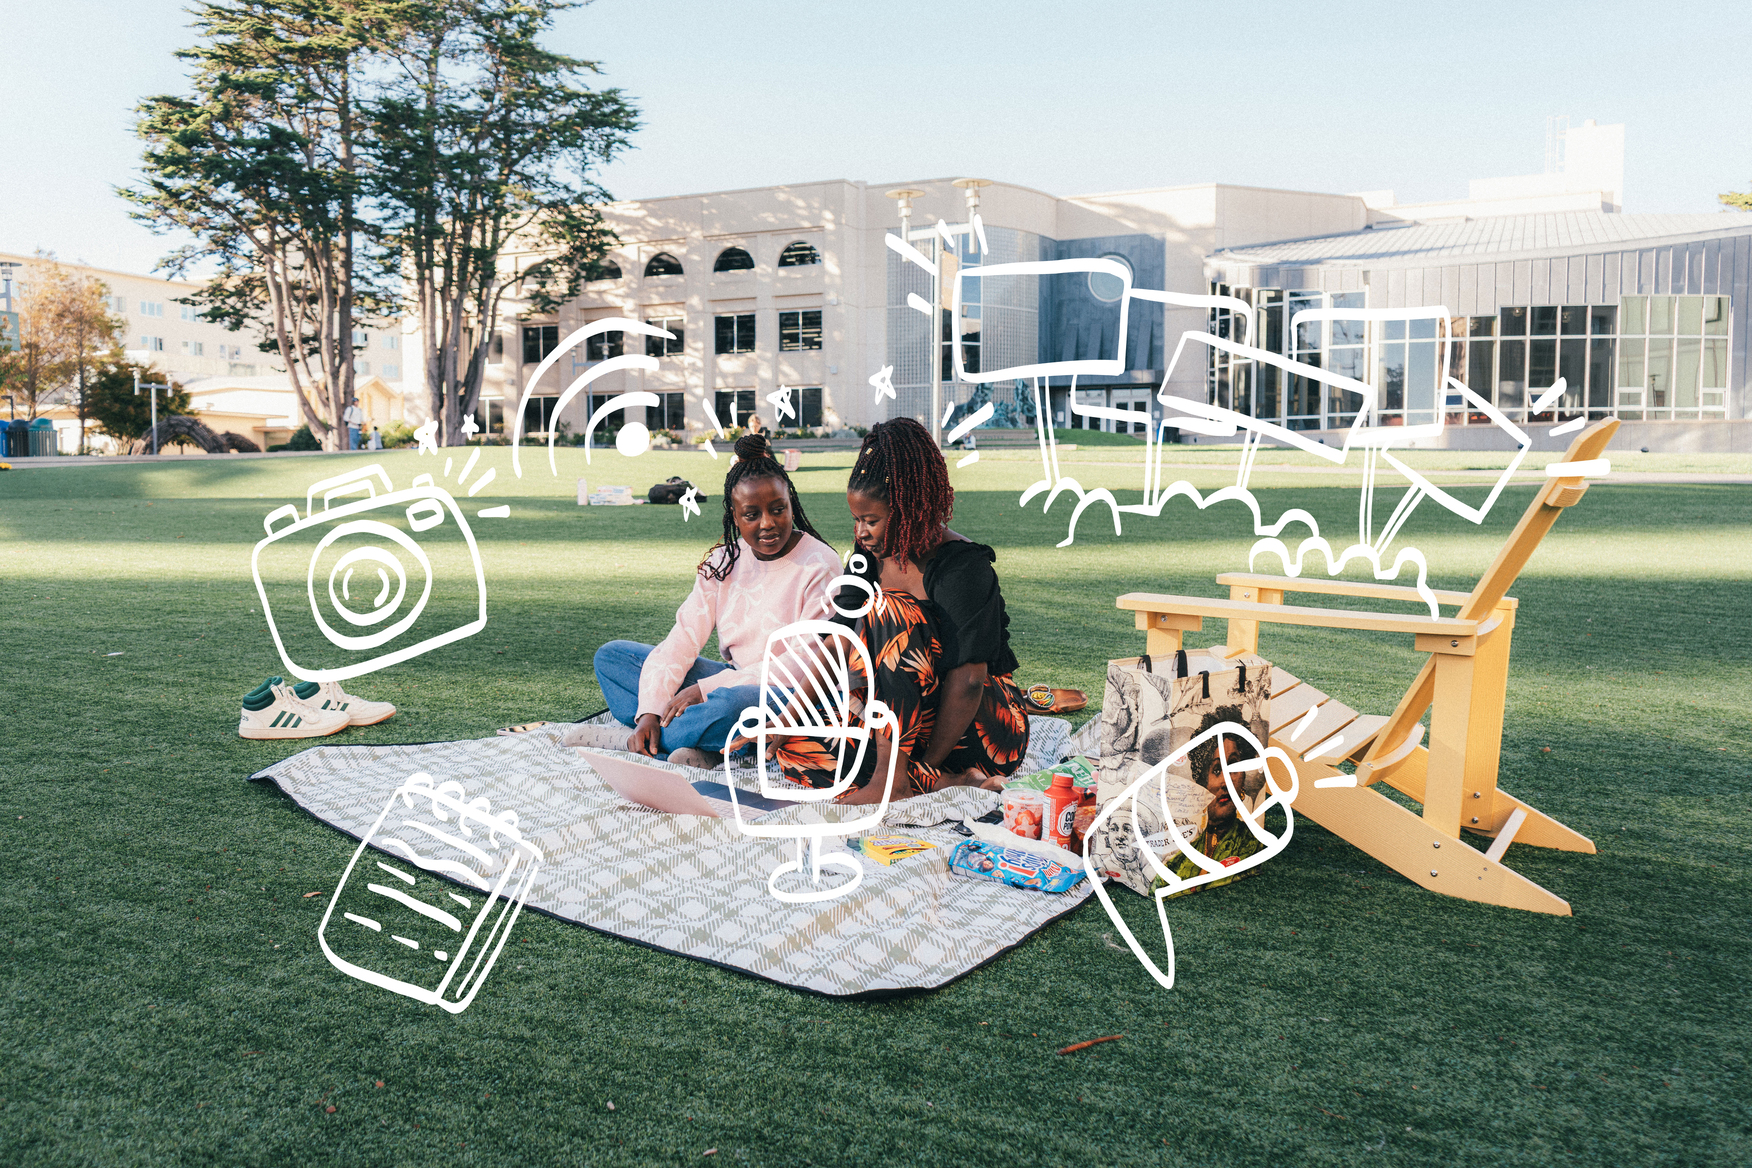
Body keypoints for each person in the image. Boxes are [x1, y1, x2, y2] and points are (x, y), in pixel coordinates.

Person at [780, 417, 1030, 800]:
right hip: (907, 731)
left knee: (888, 609)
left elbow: (969, 683)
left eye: (871, 521)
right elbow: (837, 643)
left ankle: (893, 780)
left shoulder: (962, 566)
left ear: (909, 508)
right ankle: (947, 781)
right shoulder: (869, 556)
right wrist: (786, 719)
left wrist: (911, 768)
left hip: (980, 724)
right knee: (797, 751)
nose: (860, 533)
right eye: (856, 520)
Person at [571, 433, 841, 767]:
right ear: (734, 514)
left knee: (731, 706)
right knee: (613, 659)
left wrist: (704, 690)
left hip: (788, 692)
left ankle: (639, 741)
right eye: (752, 514)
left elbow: (802, 664)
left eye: (778, 510)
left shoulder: (820, 564)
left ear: (791, 503)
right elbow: (683, 637)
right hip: (733, 676)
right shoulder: (724, 561)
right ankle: (676, 738)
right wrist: (650, 710)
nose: (767, 523)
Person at [1163, 709, 1266, 894]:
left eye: (1234, 767)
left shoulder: (1253, 845)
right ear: (1202, 780)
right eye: (1217, 770)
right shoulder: (1183, 852)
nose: (1226, 782)